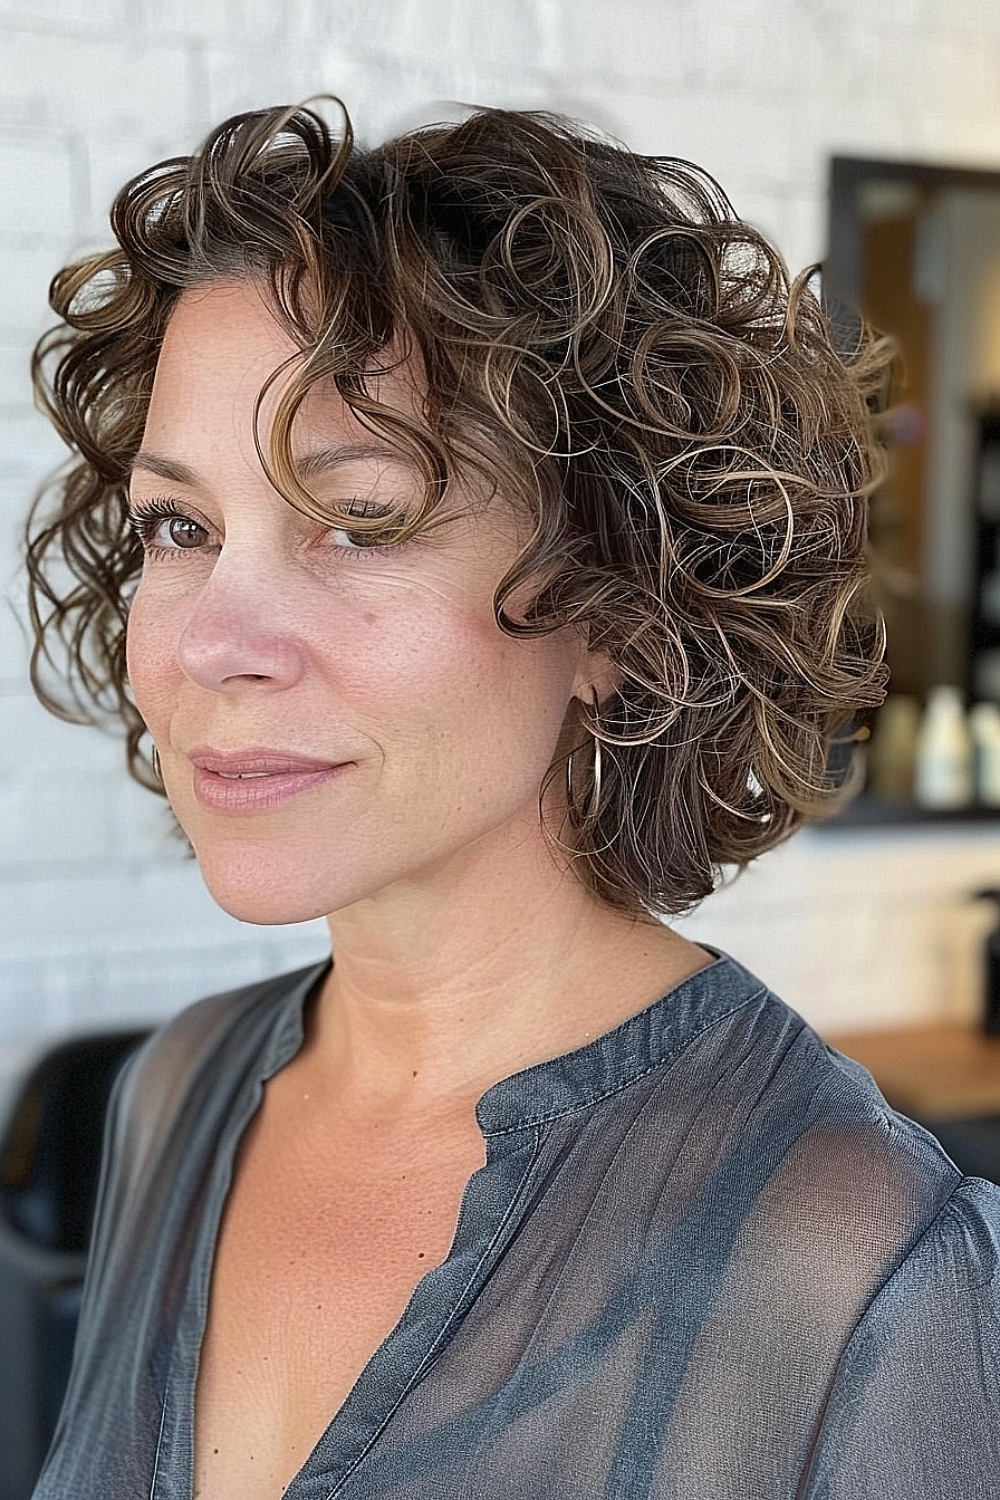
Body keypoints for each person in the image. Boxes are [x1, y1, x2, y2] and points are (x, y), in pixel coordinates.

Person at [23, 99, 999, 1500]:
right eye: (181, 525)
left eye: (360, 522)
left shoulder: (860, 1272)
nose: (203, 646)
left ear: (617, 607)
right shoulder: (176, 1097)